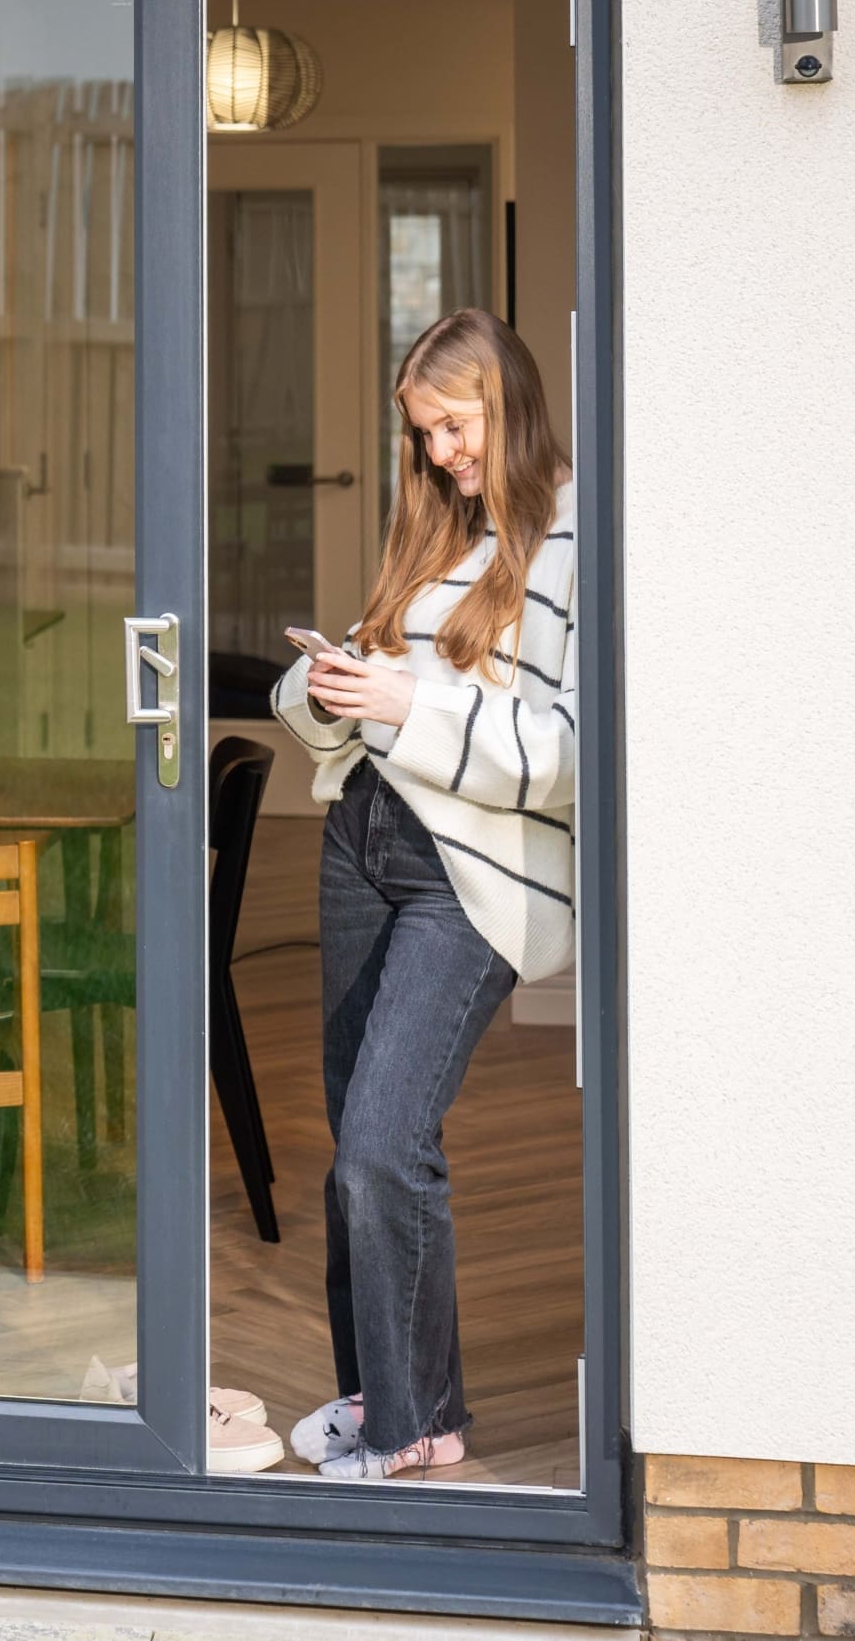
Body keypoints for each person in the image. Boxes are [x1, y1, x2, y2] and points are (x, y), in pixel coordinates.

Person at [271, 308, 577, 1479]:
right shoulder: (438, 542)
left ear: (510, 401)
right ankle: (402, 1405)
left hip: (465, 881)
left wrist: (407, 706)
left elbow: (565, 750)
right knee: (362, 1136)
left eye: (455, 424)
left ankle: (401, 1437)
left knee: (382, 1149)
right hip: (359, 844)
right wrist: (328, 681)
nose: (443, 451)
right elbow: (359, 709)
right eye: (426, 434)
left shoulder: (578, 543)